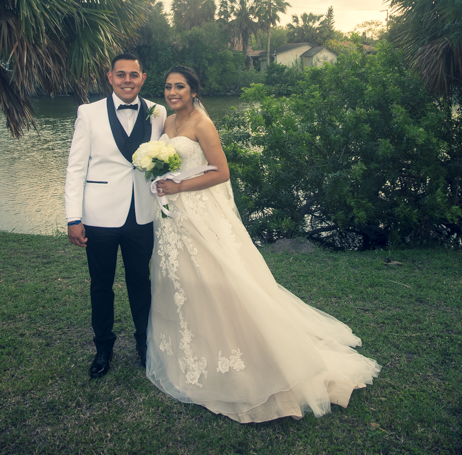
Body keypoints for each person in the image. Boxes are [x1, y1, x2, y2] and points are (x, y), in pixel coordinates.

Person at [146, 65, 381, 423]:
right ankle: (194, 347)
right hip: (172, 217)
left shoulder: (202, 124)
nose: (172, 92)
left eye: (180, 86)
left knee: (218, 278)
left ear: (194, 91)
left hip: (199, 212)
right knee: (184, 281)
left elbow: (221, 172)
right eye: (167, 87)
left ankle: (247, 353)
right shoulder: (167, 122)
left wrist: (179, 186)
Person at [65, 54, 166, 379]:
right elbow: (76, 168)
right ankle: (103, 348)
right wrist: (73, 217)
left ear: (143, 77)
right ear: (110, 77)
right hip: (98, 215)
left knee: (141, 282)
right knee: (101, 285)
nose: (127, 80)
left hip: (142, 214)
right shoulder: (88, 112)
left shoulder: (158, 112)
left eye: (133, 75)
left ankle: (144, 344)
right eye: (120, 74)